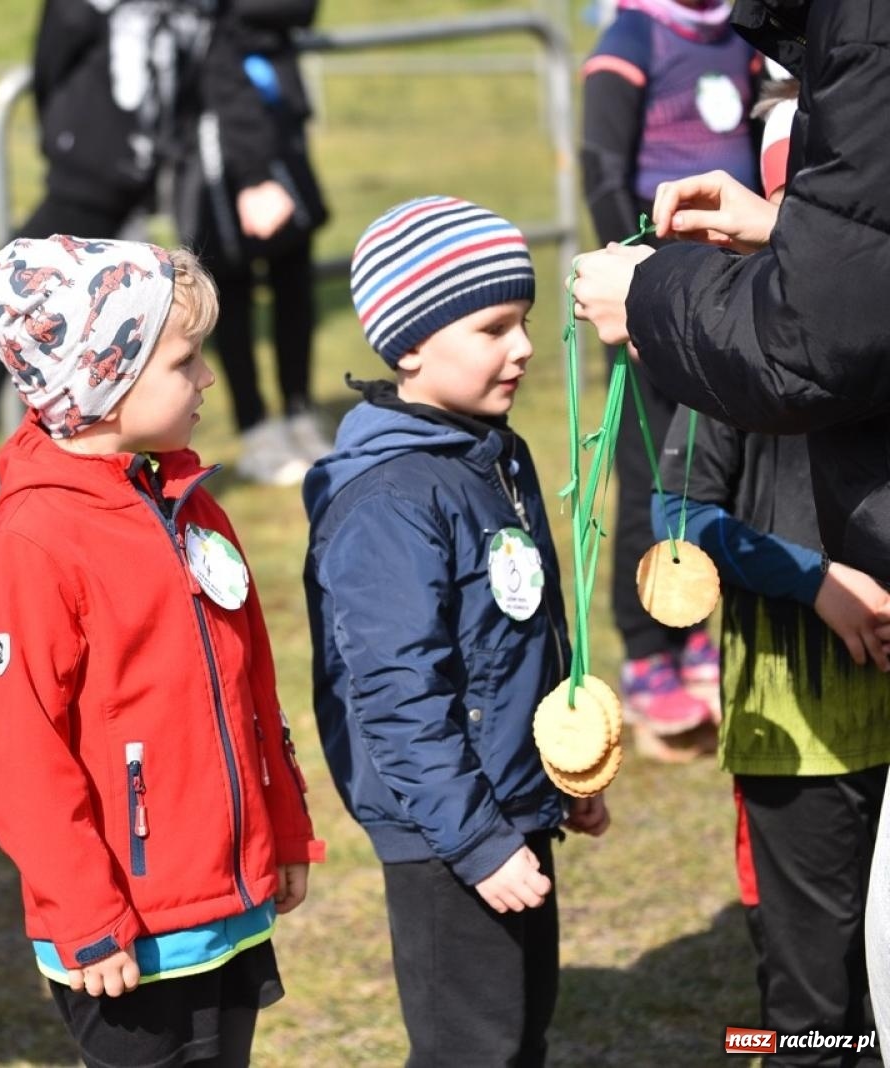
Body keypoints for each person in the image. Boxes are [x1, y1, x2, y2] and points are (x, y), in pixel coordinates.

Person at [568, 0, 890, 1034]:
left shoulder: (848, 334)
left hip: (873, 711)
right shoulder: (728, 343)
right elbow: (678, 512)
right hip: (790, 726)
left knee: (870, 968)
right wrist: (815, 582)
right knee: (805, 995)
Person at [0, 235, 324, 1067]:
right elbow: (21, 761)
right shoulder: (32, 553)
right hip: (124, 937)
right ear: (105, 379)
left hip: (220, 904)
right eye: (186, 360)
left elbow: (252, 692)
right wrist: (85, 916)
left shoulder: (188, 506)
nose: (208, 378)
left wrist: (284, 829)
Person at [304, 197, 610, 1065]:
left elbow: (516, 631)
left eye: (524, 323)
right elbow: (397, 693)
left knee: (519, 1029)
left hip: (511, 800)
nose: (521, 347)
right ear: (410, 344)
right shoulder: (393, 500)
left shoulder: (489, 452)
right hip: (447, 831)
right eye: (492, 326)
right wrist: (473, 839)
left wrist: (564, 767)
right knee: (469, 1045)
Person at [0, 0, 296, 522]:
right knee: (32, 306)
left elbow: (212, 67)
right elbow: (55, 60)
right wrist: (67, 139)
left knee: (126, 319)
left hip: (128, 170)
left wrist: (250, 170)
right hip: (100, 168)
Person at [655, 402, 888, 1066]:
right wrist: (814, 582)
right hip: (795, 740)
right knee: (812, 1011)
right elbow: (677, 518)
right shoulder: (731, 358)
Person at [579, 0, 762, 756]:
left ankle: (693, 635)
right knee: (649, 475)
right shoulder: (632, 35)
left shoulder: (745, 36)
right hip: (649, 304)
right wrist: (639, 287)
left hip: (732, 298)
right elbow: (599, 167)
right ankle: (646, 648)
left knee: (715, 474)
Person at [183, 0, 330, 486]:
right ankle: (256, 429)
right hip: (217, 141)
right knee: (230, 289)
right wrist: (251, 174)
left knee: (294, 281)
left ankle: (298, 412)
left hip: (278, 126)